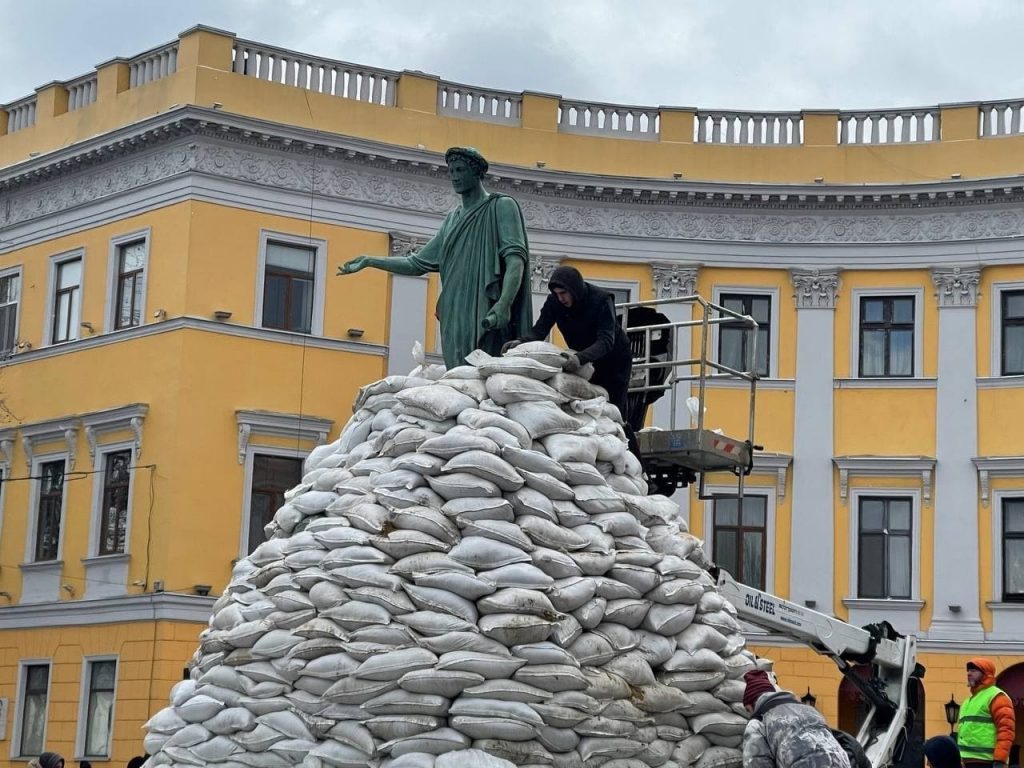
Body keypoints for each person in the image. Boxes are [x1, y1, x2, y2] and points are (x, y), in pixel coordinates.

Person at [338, 146, 532, 368]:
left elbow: (515, 259)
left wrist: (505, 303)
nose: (455, 177)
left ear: (477, 172)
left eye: (460, 170)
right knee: (458, 374)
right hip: (453, 310)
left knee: (485, 370)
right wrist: (370, 260)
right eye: (451, 171)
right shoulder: (452, 220)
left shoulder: (501, 206)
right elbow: (415, 263)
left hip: (487, 305)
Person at [503, 265, 633, 419]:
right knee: (585, 403)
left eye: (563, 293)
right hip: (583, 360)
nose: (560, 298)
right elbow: (539, 330)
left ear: (574, 289)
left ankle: (623, 431)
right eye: (556, 294)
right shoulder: (554, 302)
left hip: (614, 360)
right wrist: (520, 342)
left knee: (613, 407)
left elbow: (606, 341)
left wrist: (580, 358)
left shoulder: (602, 300)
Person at [741, 669, 851, 768]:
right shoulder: (810, 710)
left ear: (751, 704)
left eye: (747, 710)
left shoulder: (759, 722)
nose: (749, 714)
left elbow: (756, 762)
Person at [957, 658, 1015, 768]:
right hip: (968, 762)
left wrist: (1000, 760)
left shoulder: (997, 696)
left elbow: (1006, 730)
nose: (969, 673)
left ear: (986, 674)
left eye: (973, 670)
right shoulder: (967, 702)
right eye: (968, 671)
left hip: (988, 762)